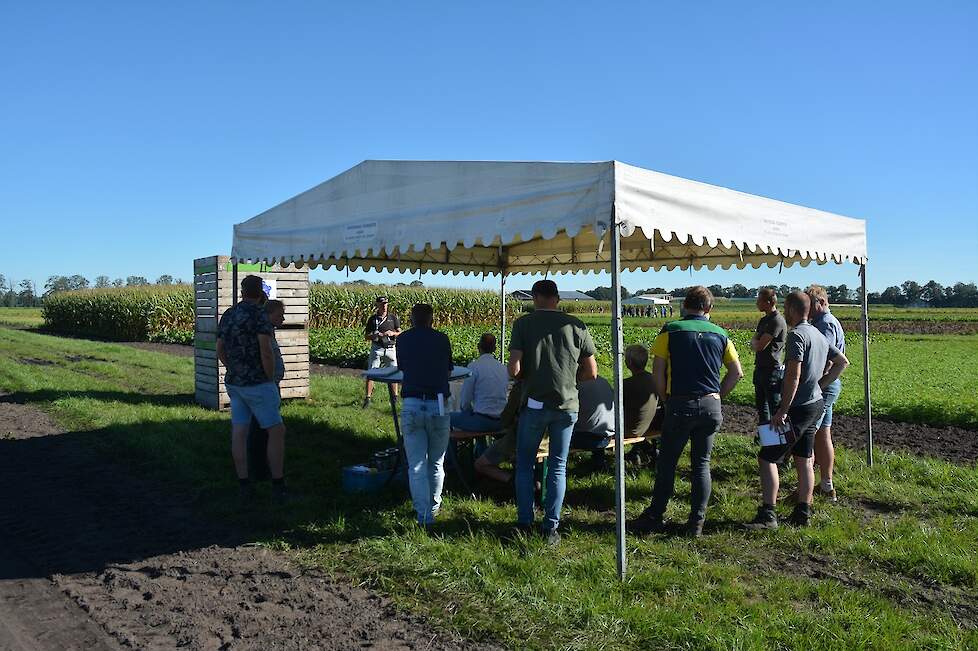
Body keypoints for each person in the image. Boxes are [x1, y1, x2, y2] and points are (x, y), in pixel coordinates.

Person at [628, 286, 743, 538]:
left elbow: (658, 371)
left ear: (684, 305)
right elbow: (736, 372)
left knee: (667, 463)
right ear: (709, 308)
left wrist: (665, 399)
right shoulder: (721, 334)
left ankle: (655, 515)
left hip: (680, 403)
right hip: (710, 406)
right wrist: (718, 396)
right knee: (701, 465)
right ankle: (696, 523)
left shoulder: (670, 331)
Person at [745, 291, 849, 530]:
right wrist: (820, 385)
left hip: (796, 407)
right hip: (815, 404)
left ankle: (768, 514)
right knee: (804, 458)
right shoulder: (818, 333)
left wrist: (783, 409)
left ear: (791, 309)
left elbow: (793, 374)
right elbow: (842, 361)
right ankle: (803, 512)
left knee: (767, 456)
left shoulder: (797, 336)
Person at [509, 279, 598, 544]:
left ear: (535, 298)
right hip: (567, 405)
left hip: (534, 404)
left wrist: (528, 377)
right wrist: (570, 380)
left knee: (524, 464)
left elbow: (513, 368)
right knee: (558, 466)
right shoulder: (576, 325)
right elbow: (592, 372)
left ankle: (525, 522)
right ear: (557, 298)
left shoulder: (522, 324)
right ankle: (551, 527)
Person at [216, 275, 288, 503]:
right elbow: (265, 349)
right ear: (260, 293)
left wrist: (233, 367)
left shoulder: (228, 315)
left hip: (235, 383)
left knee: (239, 431)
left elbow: (220, 348)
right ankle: (277, 483)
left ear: (242, 291)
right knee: (276, 431)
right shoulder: (259, 314)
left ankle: (244, 483)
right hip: (258, 383)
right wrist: (268, 378)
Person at [395, 303, 454, 528]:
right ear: (431, 319)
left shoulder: (403, 339)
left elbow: (402, 367)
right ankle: (434, 506)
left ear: (411, 319)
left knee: (417, 464)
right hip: (438, 403)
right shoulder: (442, 338)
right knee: (436, 462)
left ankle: (423, 515)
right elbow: (448, 371)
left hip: (412, 402)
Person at [806, 284, 845, 503]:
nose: (808, 310)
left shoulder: (825, 324)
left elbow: (828, 358)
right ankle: (826, 486)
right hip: (828, 385)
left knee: (809, 435)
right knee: (823, 434)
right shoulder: (825, 322)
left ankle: (805, 492)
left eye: (811, 305)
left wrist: (816, 381)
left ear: (821, 303)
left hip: (823, 385)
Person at [247, 299, 286, 482]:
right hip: (266, 385)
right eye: (279, 315)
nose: (283, 319)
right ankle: (261, 469)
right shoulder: (264, 332)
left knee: (263, 427)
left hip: (271, 384)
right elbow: (266, 356)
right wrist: (270, 382)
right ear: (268, 315)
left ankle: (261, 466)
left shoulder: (270, 331)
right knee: (265, 428)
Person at [450, 333, 509, 432]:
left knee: (446, 418)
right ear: (495, 349)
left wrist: (467, 412)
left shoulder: (474, 367)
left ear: (478, 347)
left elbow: (465, 401)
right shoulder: (503, 368)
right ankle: (481, 446)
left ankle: (453, 447)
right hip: (500, 421)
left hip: (481, 420)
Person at [750, 288, 787, 426]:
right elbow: (756, 341)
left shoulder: (776, 321)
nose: (756, 303)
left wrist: (755, 343)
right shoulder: (764, 320)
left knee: (774, 407)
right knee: (761, 408)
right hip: (760, 367)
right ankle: (766, 439)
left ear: (768, 302)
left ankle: (780, 441)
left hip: (772, 370)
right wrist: (756, 342)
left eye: (759, 300)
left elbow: (759, 345)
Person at [622, 344, 660, 466]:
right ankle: (643, 450)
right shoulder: (654, 380)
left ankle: (598, 459)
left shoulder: (626, 385)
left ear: (629, 362)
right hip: (648, 425)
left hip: (632, 429)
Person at [363, 296, 401, 408]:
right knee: (372, 372)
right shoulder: (372, 319)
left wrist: (392, 333)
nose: (384, 306)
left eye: (386, 304)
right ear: (377, 305)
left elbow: (400, 332)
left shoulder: (393, 318)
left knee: (394, 372)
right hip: (377, 348)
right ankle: (368, 398)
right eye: (382, 304)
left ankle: (395, 398)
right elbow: (366, 336)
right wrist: (375, 335)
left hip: (390, 348)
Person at [569, 375, 615, 468]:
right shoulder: (604, 381)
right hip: (607, 436)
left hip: (588, 439)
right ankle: (599, 460)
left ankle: (542, 469)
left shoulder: (577, 384)